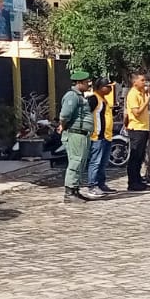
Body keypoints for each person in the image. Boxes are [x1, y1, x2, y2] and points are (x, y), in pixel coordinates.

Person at [59, 71, 95, 203]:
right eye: (86, 82)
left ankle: (75, 190)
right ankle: (69, 193)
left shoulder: (81, 97)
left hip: (82, 135)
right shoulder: (72, 96)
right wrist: (62, 125)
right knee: (75, 162)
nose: (88, 85)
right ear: (79, 83)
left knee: (81, 163)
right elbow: (64, 115)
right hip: (75, 134)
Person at [87, 79, 116, 196]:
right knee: (95, 162)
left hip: (107, 136)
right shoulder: (93, 99)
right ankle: (92, 186)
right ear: (100, 87)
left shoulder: (104, 100)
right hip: (97, 137)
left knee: (103, 163)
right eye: (107, 87)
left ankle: (101, 184)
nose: (110, 89)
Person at [125, 72, 150, 192]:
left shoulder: (141, 93)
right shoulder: (132, 94)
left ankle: (138, 179)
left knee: (140, 156)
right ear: (134, 82)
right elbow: (136, 112)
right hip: (136, 129)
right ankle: (132, 182)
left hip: (143, 128)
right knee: (135, 156)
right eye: (142, 80)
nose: (144, 82)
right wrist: (147, 102)